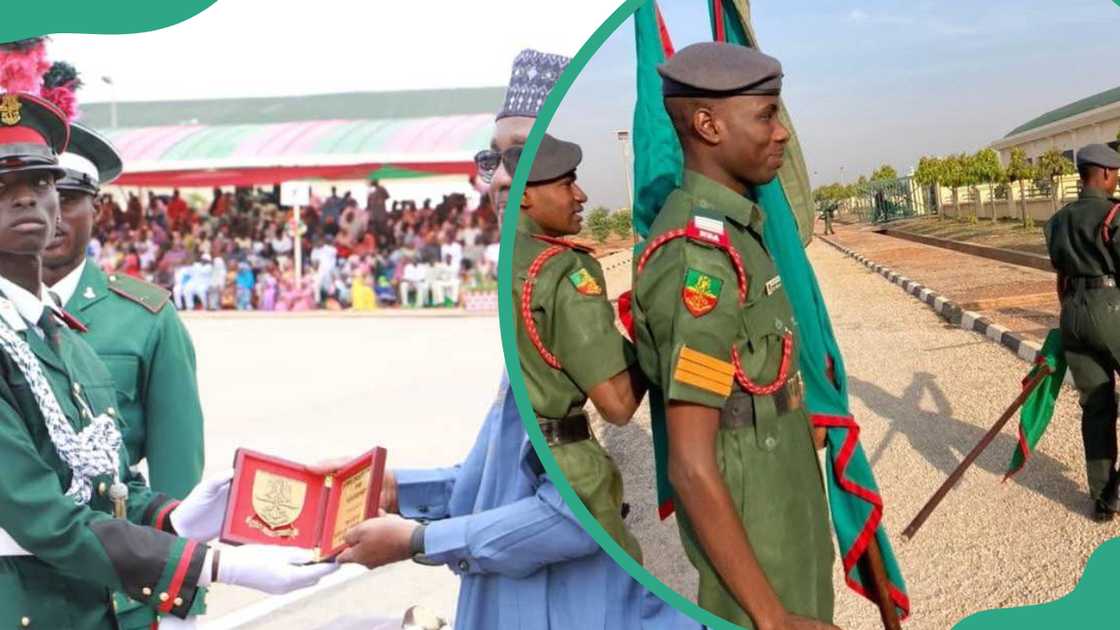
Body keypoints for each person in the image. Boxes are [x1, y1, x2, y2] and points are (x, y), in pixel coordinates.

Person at [330, 49, 697, 630]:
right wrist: (398, 490)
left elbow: (572, 514)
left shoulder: (544, 277)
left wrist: (420, 539)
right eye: (495, 159)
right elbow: (498, 469)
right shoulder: (535, 281)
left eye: (524, 157)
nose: (502, 177)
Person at [0, 92, 338, 630]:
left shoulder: (61, 336)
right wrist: (215, 565)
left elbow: (101, 482)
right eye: (3, 186)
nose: (29, 201)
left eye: (41, 183)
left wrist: (172, 515)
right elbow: (44, 515)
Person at [630, 43, 836, 629]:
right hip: (754, 510)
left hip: (780, 476)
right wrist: (769, 617)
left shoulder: (735, 230)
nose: (783, 136)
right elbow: (692, 464)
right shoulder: (700, 259)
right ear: (707, 124)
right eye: (767, 115)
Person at [506, 134, 647, 561]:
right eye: (567, 183)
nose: (581, 194)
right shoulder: (564, 273)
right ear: (526, 196)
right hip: (570, 474)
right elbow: (618, 405)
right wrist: (649, 339)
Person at [1044, 142, 1120, 521]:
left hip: (1071, 312)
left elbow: (1060, 272)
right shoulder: (1115, 213)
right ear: (1105, 174)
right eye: (1117, 173)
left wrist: (1070, 313)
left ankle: (1103, 497)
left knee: (1096, 407)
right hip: (1111, 308)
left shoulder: (1058, 219)